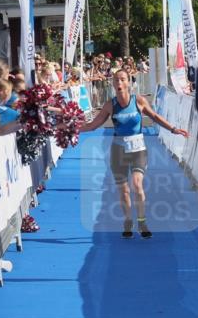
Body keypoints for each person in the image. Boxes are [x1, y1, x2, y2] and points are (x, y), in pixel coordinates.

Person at [79, 69, 188, 239]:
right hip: (118, 150)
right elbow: (92, 125)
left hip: (138, 148)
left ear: (129, 82)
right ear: (113, 84)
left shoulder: (139, 101)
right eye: (116, 80)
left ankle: (142, 222)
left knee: (137, 185)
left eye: (122, 79)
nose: (119, 83)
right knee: (124, 191)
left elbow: (155, 117)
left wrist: (173, 129)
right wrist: (71, 129)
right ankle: (128, 220)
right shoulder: (110, 105)